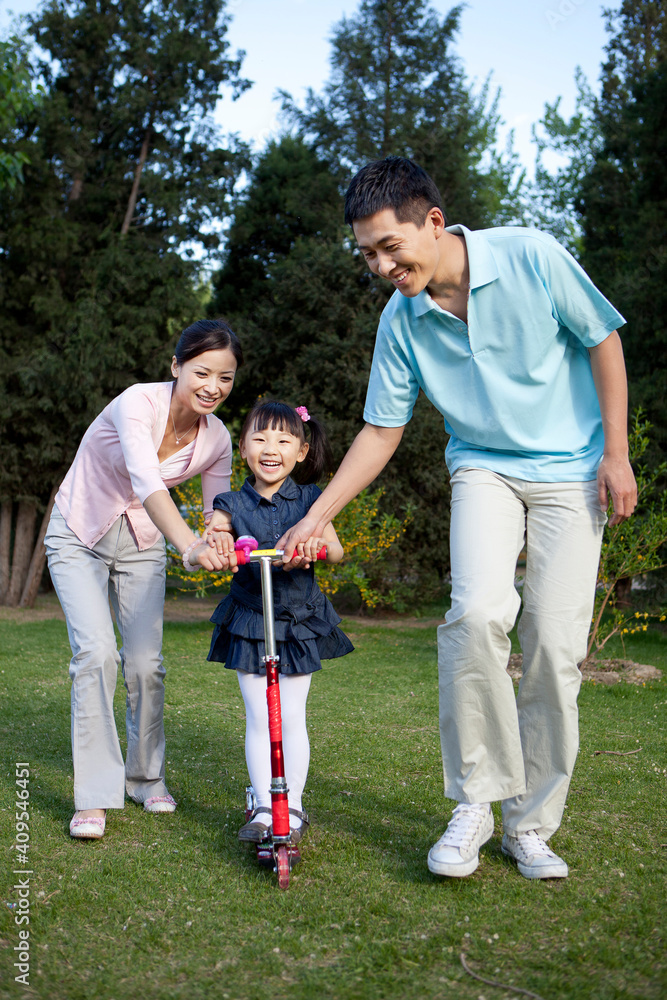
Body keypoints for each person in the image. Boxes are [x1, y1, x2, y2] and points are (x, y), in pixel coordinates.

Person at [278, 156, 637, 880]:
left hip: (571, 471)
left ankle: (529, 826)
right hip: (482, 466)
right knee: (473, 616)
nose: (381, 265)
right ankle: (475, 801)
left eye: (390, 247)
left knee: (554, 651)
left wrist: (617, 453)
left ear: (433, 223)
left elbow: (602, 338)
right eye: (367, 254)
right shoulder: (401, 320)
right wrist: (314, 515)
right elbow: (381, 431)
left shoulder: (530, 256)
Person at [45, 318, 243, 840]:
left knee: (145, 664)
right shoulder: (138, 402)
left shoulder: (217, 437)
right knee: (95, 654)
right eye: (202, 372)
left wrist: (218, 535)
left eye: (225, 378)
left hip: (141, 541)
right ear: (176, 366)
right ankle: (94, 796)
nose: (213, 387)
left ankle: (145, 777)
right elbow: (146, 480)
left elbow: (215, 508)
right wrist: (191, 547)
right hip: (79, 531)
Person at [204, 399, 353, 845]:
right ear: (244, 448)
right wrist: (219, 544)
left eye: (284, 439)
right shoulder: (229, 502)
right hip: (251, 620)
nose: (272, 447)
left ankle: (296, 804)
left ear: (302, 451)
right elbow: (217, 533)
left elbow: (338, 550)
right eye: (260, 437)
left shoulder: (313, 501)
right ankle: (267, 807)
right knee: (258, 716)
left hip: (298, 621)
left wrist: (315, 547)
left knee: (290, 717)